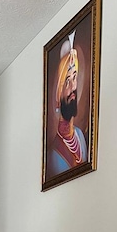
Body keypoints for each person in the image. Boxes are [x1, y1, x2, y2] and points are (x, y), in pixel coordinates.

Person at [48, 30, 88, 176]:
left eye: (75, 77)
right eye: (67, 81)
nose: (72, 87)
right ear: (59, 94)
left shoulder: (79, 135)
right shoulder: (53, 154)